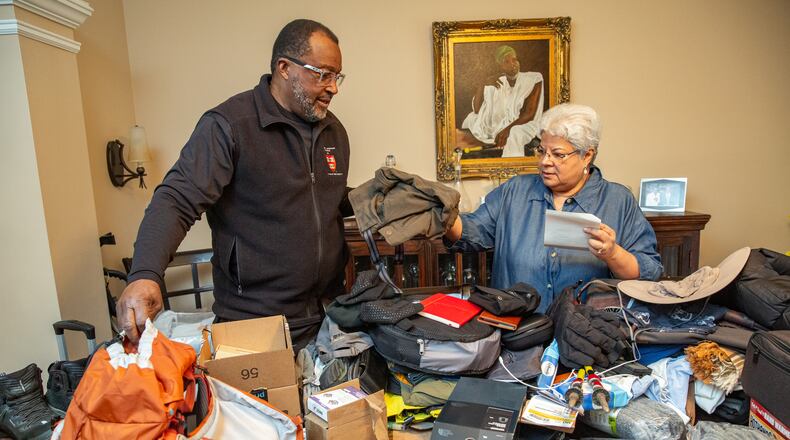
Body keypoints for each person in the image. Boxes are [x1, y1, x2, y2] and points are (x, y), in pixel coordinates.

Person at [116, 19, 352, 351]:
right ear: (284, 68)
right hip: (254, 325)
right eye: (323, 74)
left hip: (327, 317)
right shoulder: (229, 125)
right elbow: (177, 199)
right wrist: (144, 274)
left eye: (337, 76)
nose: (333, 87)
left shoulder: (333, 131)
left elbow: (326, 196)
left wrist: (379, 199)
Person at [445, 103, 663, 313]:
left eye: (558, 154)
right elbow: (470, 232)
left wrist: (612, 253)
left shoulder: (618, 200)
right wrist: (440, 213)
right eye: (542, 151)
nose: (545, 162)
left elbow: (648, 273)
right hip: (519, 336)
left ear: (587, 155)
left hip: (585, 338)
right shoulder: (514, 191)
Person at [458, 45, 544, 158]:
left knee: (514, 133)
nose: (512, 63)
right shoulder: (497, 81)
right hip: (499, 123)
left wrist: (507, 129)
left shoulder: (533, 79)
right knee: (470, 119)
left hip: (525, 123)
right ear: (500, 66)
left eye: (514, 59)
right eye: (506, 61)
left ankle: (513, 170)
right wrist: (482, 84)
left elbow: (529, 113)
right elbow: (477, 110)